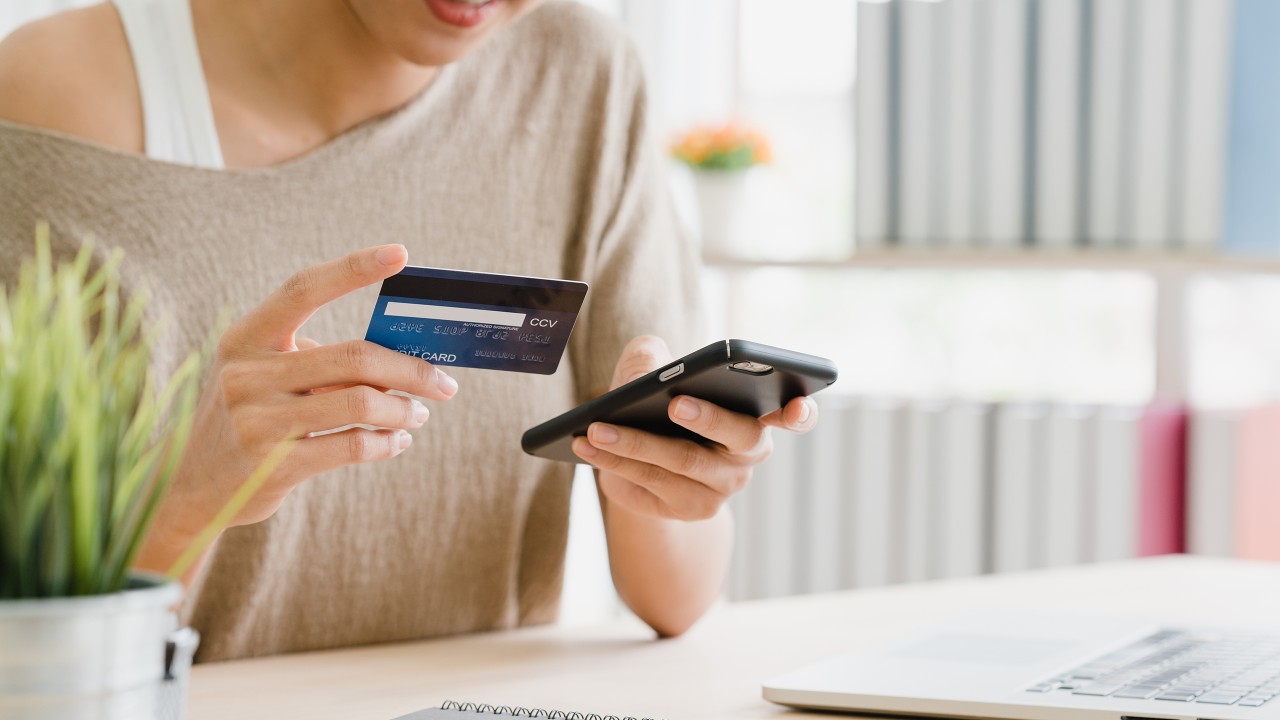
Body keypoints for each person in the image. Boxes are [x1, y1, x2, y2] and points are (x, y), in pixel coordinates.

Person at [0, 0, 819, 661]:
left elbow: (675, 599)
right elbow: (31, 659)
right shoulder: (51, 94)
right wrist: (187, 498)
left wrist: (659, 474)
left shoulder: (580, 78)